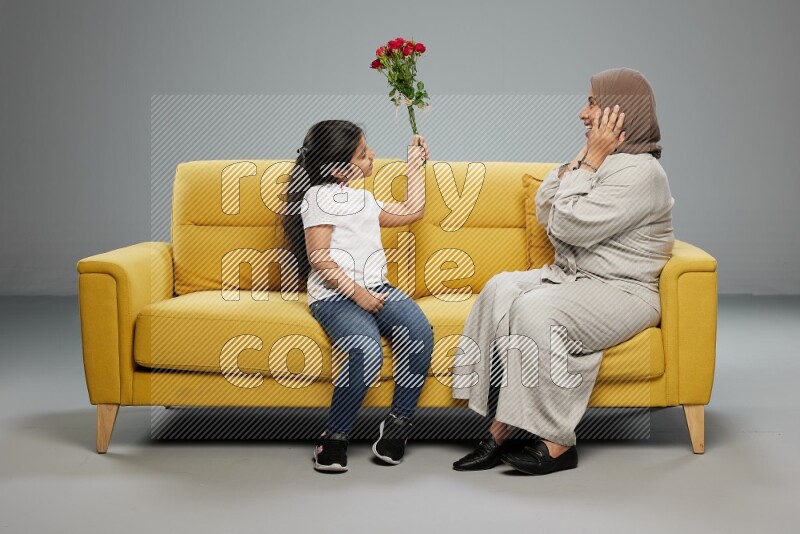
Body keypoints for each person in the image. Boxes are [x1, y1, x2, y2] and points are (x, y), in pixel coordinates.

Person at [451, 67, 675, 475]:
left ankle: (556, 442)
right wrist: (586, 162)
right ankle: (503, 426)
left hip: (622, 291)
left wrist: (586, 165)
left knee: (538, 311)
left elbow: (568, 225)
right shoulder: (602, 159)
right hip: (575, 278)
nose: (582, 113)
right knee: (501, 288)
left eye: (591, 102)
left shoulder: (642, 173)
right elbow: (545, 207)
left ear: (618, 112)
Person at [281, 120, 434, 473]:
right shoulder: (318, 197)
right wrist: (358, 294)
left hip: (377, 288)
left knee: (419, 333)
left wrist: (414, 163)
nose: (372, 155)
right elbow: (320, 258)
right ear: (337, 168)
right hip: (335, 297)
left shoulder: (363, 199)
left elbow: (413, 211)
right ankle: (333, 437)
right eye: (363, 153)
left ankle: (397, 425)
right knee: (364, 347)